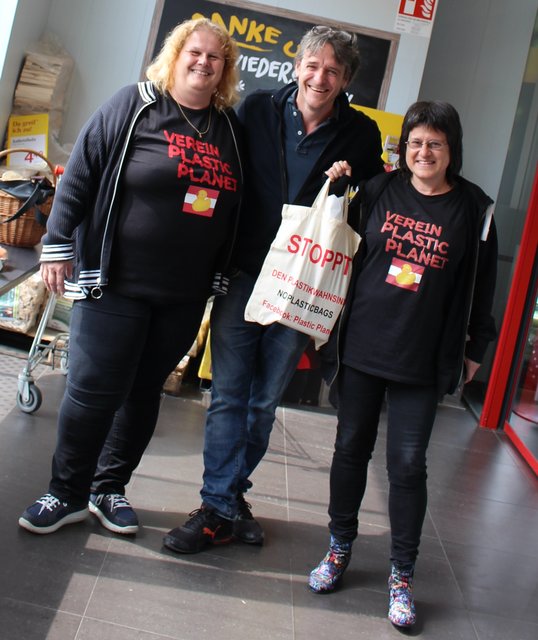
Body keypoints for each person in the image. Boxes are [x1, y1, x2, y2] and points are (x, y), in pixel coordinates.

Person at [163, 25, 384, 555]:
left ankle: (225, 499)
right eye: (313, 65)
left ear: (347, 79)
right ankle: (220, 505)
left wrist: (349, 184)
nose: (320, 77)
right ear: (297, 66)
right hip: (245, 274)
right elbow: (222, 175)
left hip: (302, 285)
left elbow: (371, 205)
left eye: (333, 70)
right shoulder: (256, 110)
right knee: (229, 396)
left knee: (263, 402)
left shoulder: (361, 134)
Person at [18, 18, 243, 535]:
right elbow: (81, 170)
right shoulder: (136, 103)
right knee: (92, 388)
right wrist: (56, 241)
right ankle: (65, 493)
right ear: (176, 54)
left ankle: (109, 489)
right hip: (115, 280)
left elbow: (238, 204)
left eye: (215, 57)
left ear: (224, 69)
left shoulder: (227, 127)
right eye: (195, 52)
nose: (204, 62)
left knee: (144, 392)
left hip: (183, 293)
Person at [307, 101, 498, 628]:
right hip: (363, 347)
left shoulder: (473, 210)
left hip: (422, 357)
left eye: (435, 143)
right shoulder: (376, 191)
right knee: (350, 448)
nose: (423, 152)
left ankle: (401, 576)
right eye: (415, 142)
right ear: (403, 147)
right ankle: (339, 547)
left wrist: (476, 349)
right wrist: (338, 183)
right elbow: (330, 239)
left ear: (451, 149)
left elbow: (482, 289)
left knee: (408, 466)